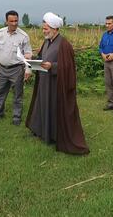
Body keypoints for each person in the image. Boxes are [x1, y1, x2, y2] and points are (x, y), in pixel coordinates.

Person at [26, 12, 89, 155]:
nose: (44, 31)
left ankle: (55, 136)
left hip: (56, 85)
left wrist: (53, 67)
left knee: (54, 108)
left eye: (46, 28)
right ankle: (42, 132)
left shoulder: (64, 44)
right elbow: (42, 58)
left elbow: (68, 67)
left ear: (55, 28)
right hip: (44, 82)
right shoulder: (47, 42)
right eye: (43, 28)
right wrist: (32, 58)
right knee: (42, 106)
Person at [0, 10, 33, 125]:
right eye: (11, 21)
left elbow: (28, 53)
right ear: (6, 21)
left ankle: (16, 118)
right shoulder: (0, 33)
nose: (14, 23)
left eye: (16, 21)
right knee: (0, 92)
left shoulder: (23, 36)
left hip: (17, 69)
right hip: (2, 69)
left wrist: (28, 69)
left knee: (18, 95)